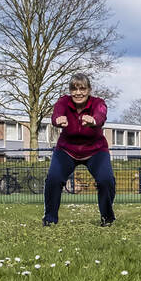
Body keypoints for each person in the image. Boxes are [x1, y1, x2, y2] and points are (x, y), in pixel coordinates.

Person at [43, 73, 116, 227]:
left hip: (95, 150)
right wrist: (57, 120)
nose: (78, 93)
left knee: (106, 180)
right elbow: (56, 113)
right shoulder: (63, 101)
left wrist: (94, 120)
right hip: (67, 149)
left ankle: (107, 219)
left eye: (82, 88)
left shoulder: (98, 103)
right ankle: (50, 219)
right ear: (70, 91)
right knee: (54, 179)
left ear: (89, 90)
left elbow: (101, 114)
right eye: (74, 89)